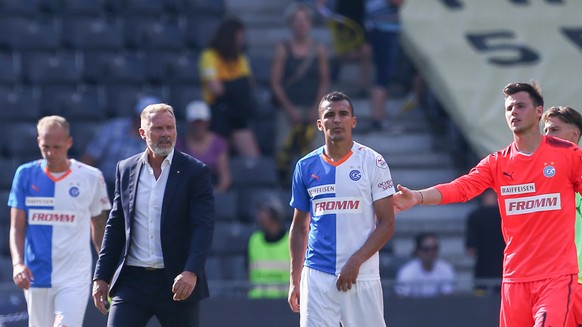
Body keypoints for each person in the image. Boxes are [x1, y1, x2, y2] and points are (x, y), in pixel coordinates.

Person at [393, 82, 582, 327]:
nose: (514, 112)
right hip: (514, 279)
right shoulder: (497, 162)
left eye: (521, 106)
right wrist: (417, 197)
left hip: (556, 278)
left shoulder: (568, 154)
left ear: (538, 112)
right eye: (509, 108)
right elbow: (461, 188)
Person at [91, 103, 215, 326]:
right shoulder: (125, 169)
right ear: (142, 133)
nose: (165, 134)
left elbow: (203, 227)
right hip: (133, 281)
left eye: (170, 128)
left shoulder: (195, 172)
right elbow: (116, 225)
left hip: (177, 281)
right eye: (158, 128)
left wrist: (191, 272)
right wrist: (101, 276)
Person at [288, 91, 395, 326]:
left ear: (353, 121)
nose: (337, 120)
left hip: (362, 274)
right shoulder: (305, 166)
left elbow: (387, 223)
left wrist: (356, 261)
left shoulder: (373, 162)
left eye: (343, 114)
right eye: (330, 115)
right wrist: (295, 279)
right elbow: (299, 226)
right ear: (319, 124)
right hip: (317, 274)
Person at [8, 115, 110, 327]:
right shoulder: (25, 175)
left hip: (75, 275)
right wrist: (18, 264)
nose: (51, 153)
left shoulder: (91, 177)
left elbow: (100, 228)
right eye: (46, 147)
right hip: (36, 274)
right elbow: (17, 227)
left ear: (69, 143)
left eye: (57, 147)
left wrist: (106, 271)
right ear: (38, 142)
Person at [272, 2, 330, 186]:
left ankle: (315, 184)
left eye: (304, 20)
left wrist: (317, 108)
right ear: (291, 24)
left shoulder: (318, 48)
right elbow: (276, 82)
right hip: (289, 106)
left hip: (312, 106)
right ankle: (283, 183)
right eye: (297, 21)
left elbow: (324, 80)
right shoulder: (283, 48)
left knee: (316, 148)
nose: (301, 24)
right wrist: (289, 109)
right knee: (282, 146)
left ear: (310, 24)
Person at [541, 106, 582, 327]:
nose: (547, 137)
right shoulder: (543, 177)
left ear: (574, 135)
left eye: (554, 130)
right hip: (558, 282)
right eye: (545, 130)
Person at [198, 17, 261, 157]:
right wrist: (237, 85)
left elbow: (249, 85)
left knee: (253, 158)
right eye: (240, 36)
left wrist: (229, 86)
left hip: (237, 111)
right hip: (217, 112)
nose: (242, 40)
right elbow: (217, 89)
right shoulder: (209, 56)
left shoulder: (239, 57)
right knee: (220, 158)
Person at [82, 95, 161, 197]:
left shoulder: (160, 139)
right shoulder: (113, 128)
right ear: (136, 115)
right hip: (104, 185)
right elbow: (90, 158)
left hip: (136, 191)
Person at [365, 0, 406, 130]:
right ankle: (378, 119)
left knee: (383, 75)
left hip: (379, 28)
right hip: (383, 29)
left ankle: (380, 116)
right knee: (383, 75)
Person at [175, 100, 232, 192]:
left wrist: (210, 195)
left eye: (201, 122)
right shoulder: (179, 144)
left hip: (212, 191)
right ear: (189, 123)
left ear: (208, 122)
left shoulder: (219, 143)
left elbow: (225, 179)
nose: (198, 126)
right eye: (195, 122)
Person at [247, 196, 290, 299]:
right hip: (257, 302)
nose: (259, 216)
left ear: (275, 215)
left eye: (264, 212)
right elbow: (247, 273)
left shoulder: (291, 241)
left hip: (284, 302)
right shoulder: (254, 240)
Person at [465, 188, 504, 294]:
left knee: (481, 298)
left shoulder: (475, 216)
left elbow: (471, 250)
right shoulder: (504, 216)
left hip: (482, 269)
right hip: (504, 268)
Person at [395, 232, 455, 297]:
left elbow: (449, 298)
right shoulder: (407, 272)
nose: (431, 253)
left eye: (434, 249)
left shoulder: (446, 269)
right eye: (426, 249)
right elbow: (402, 297)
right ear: (418, 251)